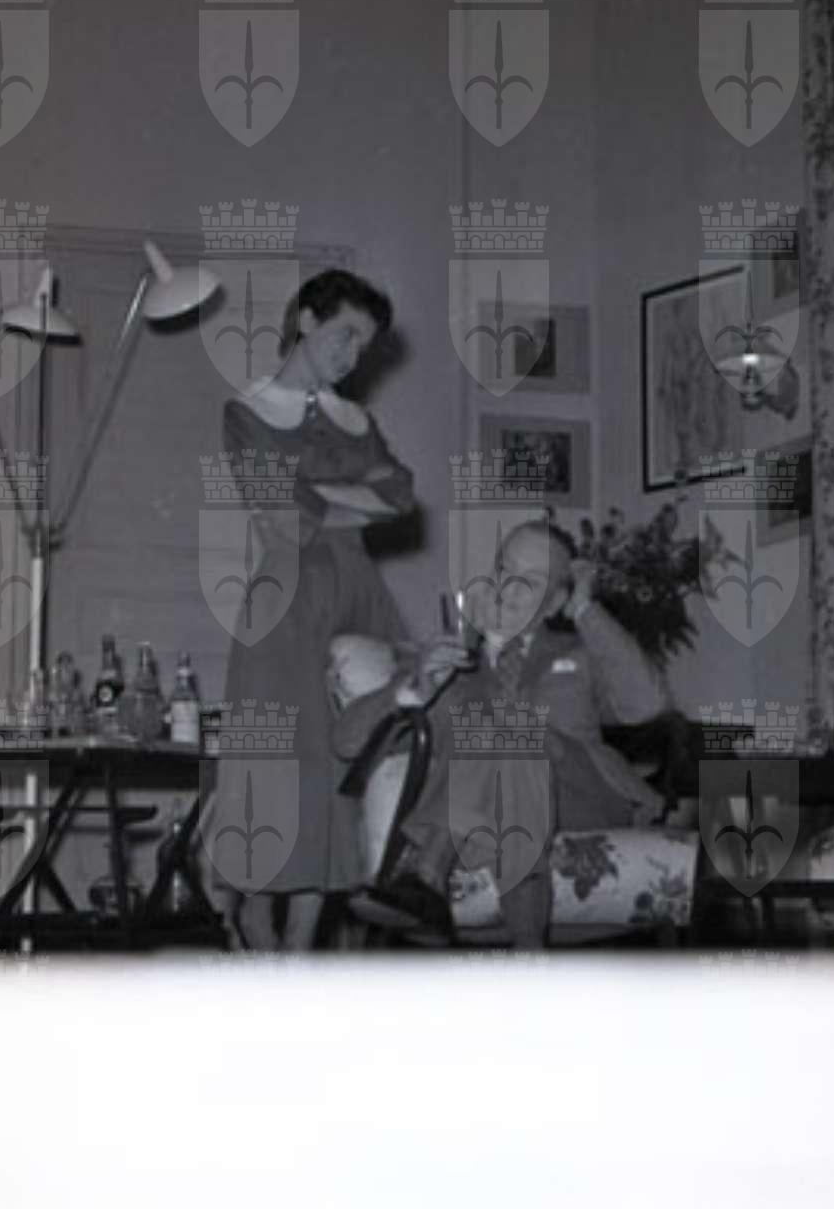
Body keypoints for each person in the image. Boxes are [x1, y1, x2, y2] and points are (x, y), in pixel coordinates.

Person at [336, 521, 669, 948]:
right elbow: (346, 743)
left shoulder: (580, 654)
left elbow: (648, 705)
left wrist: (585, 608)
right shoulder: (445, 665)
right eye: (503, 569)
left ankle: (427, 874)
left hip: (581, 798)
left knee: (508, 730)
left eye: (531, 581)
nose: (508, 588)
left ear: (555, 602)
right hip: (488, 814)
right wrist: (411, 689)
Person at [214, 270, 416, 952]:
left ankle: (301, 944)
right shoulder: (246, 411)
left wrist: (317, 491)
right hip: (286, 596)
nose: (354, 355)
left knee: (346, 761)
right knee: (278, 760)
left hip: (358, 591)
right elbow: (285, 516)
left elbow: (400, 497)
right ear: (305, 320)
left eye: (365, 345)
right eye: (345, 334)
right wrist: (348, 495)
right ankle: (254, 914)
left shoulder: (357, 420)